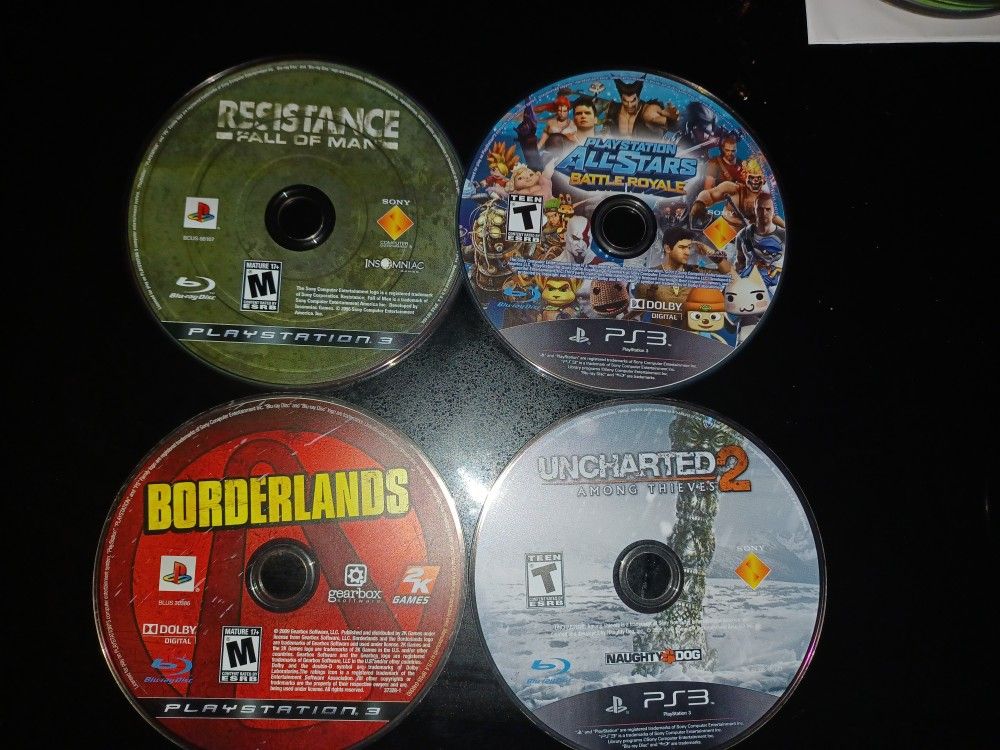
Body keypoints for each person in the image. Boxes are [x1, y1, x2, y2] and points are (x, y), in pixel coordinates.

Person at [604, 78, 679, 139]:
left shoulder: (648, 111)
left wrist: (672, 119)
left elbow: (668, 124)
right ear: (621, 99)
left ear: (638, 98)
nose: (629, 105)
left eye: (633, 101)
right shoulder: (612, 109)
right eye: (626, 101)